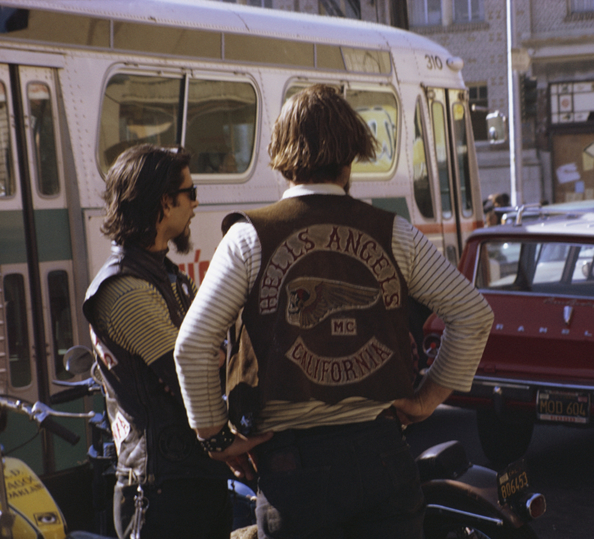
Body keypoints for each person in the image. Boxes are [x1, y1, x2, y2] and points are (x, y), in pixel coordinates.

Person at [174, 84, 494, 539]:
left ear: (281, 155)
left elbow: (193, 344)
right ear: (351, 158)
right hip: (384, 457)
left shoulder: (248, 239)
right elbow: (473, 315)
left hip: (293, 473)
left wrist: (215, 438)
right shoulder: (393, 233)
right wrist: (425, 400)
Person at [82, 145, 235, 539]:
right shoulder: (125, 289)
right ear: (165, 203)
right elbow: (189, 371)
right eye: (190, 192)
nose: (196, 203)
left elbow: (214, 352)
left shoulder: (165, 276)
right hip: (159, 492)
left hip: (187, 481)